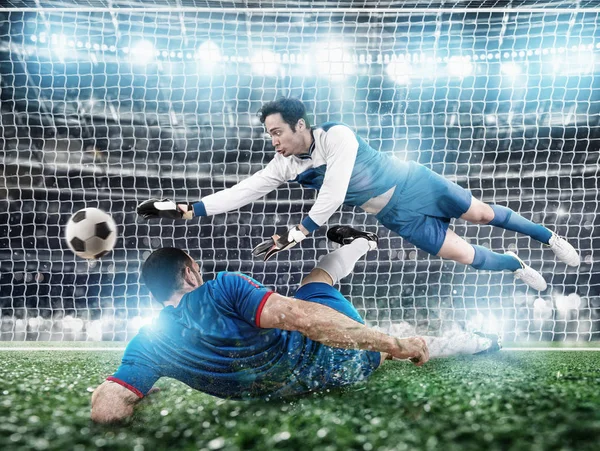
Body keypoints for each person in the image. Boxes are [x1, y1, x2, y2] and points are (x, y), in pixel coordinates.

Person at [136, 98, 579, 291]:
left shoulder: (339, 137)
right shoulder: (284, 165)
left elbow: (333, 193)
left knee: (481, 215)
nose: (273, 141)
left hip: (413, 182)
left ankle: (548, 239)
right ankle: (515, 264)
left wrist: (301, 230)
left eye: (276, 132)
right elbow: (243, 191)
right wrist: (188, 209)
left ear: (300, 126)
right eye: (269, 134)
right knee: (463, 255)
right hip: (396, 216)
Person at [90, 226, 496, 424]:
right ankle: (361, 243)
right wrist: (393, 342)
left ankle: (466, 342)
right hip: (339, 361)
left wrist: (136, 398)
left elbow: (106, 409)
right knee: (314, 284)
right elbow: (302, 318)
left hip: (304, 385)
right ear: (191, 271)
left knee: (315, 296)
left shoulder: (150, 343)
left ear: (153, 295)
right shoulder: (221, 288)